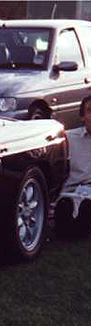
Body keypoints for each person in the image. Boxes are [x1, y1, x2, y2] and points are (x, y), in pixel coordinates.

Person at [55, 95, 91, 237]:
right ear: (82, 117)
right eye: (90, 110)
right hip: (72, 193)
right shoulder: (68, 138)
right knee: (67, 204)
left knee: (86, 208)